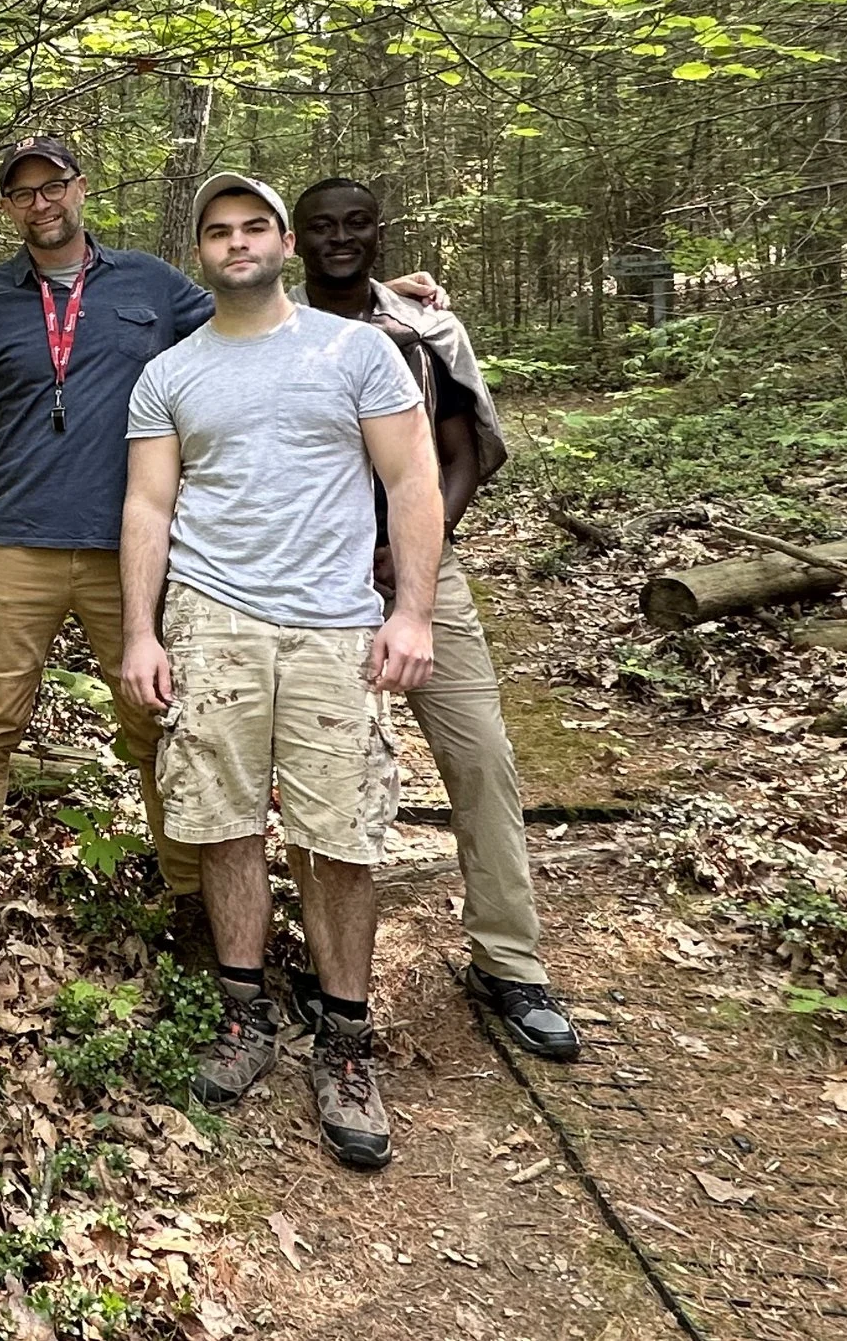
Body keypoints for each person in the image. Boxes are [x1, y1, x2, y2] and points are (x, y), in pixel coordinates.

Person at [0, 136, 442, 969]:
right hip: (18, 544)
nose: (41, 202)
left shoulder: (148, 284)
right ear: (7, 207)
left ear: (79, 189)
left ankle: (193, 902)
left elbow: (255, 313)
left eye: (54, 185)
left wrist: (382, 297)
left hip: (134, 556)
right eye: (22, 192)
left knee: (159, 728)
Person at [118, 174, 442, 1172]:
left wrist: (412, 613)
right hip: (210, 623)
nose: (237, 243)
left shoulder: (357, 352)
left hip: (332, 627)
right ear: (200, 253)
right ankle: (244, 1014)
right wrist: (142, 631)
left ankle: (345, 1041)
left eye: (253, 226)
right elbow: (148, 510)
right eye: (218, 232)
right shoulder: (169, 373)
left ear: (285, 243)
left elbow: (410, 479)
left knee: (339, 833)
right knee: (219, 822)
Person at [292, 177, 581, 1060]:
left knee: (480, 754)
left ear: (381, 233)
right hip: (312, 583)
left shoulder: (426, 328)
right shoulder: (269, 327)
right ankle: (327, 967)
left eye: (357, 224)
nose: (340, 239)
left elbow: (463, 455)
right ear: (295, 240)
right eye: (322, 227)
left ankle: (509, 960)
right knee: (323, 772)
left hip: (424, 579)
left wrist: (414, 548)